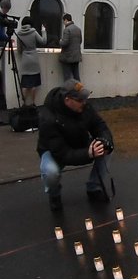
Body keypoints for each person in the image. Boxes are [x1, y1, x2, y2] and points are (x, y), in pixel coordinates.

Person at [37, 80, 115, 211]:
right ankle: (54, 194)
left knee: (106, 149)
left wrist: (104, 141)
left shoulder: (84, 107)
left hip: (79, 142)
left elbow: (99, 126)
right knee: (51, 171)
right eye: (80, 100)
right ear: (67, 100)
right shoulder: (48, 118)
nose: (84, 102)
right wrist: (88, 154)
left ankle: (94, 187)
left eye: (84, 99)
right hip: (54, 151)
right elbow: (62, 154)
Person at [15, 16, 48, 107]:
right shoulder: (33, 32)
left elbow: (19, 50)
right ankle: (33, 103)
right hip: (34, 59)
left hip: (25, 59)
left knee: (25, 84)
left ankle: (24, 104)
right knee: (33, 84)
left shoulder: (19, 33)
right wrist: (43, 30)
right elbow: (43, 41)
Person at [59, 13, 82, 81]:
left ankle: (68, 91)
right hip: (76, 56)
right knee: (76, 75)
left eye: (63, 21)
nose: (63, 23)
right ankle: (79, 90)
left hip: (68, 57)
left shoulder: (67, 29)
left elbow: (64, 43)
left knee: (67, 77)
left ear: (66, 20)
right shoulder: (78, 29)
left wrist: (60, 41)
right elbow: (80, 41)